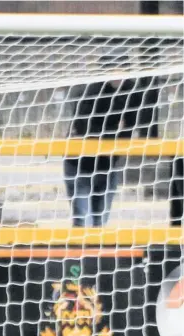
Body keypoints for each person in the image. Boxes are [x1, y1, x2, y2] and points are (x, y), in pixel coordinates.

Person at [64, 57, 143, 227]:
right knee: (83, 222)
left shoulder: (132, 91)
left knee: (100, 225)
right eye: (112, 68)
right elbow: (84, 127)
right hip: (79, 165)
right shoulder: (92, 91)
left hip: (106, 166)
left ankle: (96, 253)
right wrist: (113, 129)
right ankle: (83, 253)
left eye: (121, 68)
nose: (117, 73)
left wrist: (113, 134)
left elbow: (128, 128)